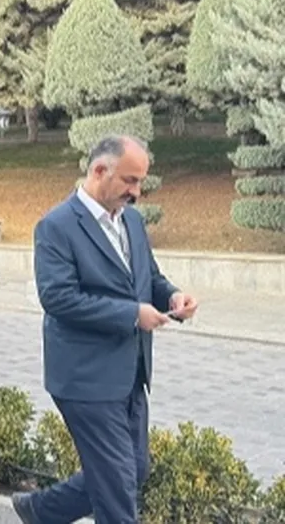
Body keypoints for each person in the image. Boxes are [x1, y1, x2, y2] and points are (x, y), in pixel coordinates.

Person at [11, 136, 198, 524]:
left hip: (131, 372)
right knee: (116, 489)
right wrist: (132, 314)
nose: (137, 192)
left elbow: (148, 277)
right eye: (130, 180)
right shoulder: (56, 226)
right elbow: (58, 298)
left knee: (134, 470)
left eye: (140, 181)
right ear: (99, 171)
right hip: (85, 378)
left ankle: (40, 511)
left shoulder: (132, 220)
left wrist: (173, 295)